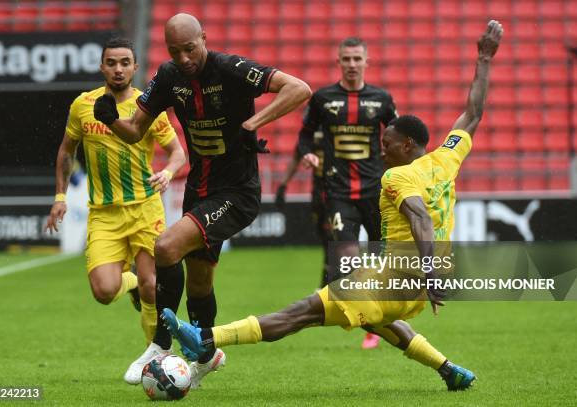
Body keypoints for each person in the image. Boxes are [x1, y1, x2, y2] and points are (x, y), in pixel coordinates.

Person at [162, 20, 503, 391]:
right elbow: (473, 113)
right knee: (376, 319)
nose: (380, 149)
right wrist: (484, 58)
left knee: (300, 313)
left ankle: (208, 339)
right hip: (413, 292)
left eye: (386, 144)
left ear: (407, 146)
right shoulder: (445, 159)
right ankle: (448, 368)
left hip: (395, 282)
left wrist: (431, 271)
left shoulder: (395, 178)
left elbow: (419, 215)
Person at [92, 13, 311, 388]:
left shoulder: (232, 68)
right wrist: (112, 120)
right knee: (199, 284)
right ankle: (207, 354)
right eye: (175, 51)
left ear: (204, 39)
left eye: (190, 49)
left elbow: (299, 88)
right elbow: (134, 131)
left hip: (237, 193)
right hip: (200, 190)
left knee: (165, 247)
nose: (183, 59)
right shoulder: (169, 76)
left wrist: (253, 125)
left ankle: (160, 344)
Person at [44, 37, 186, 385]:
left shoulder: (147, 105)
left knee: (155, 287)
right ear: (102, 67)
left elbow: (178, 153)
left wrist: (167, 173)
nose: (118, 68)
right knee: (104, 292)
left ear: (135, 68)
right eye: (112, 62)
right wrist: (60, 195)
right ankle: (134, 283)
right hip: (104, 214)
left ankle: (156, 359)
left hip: (144, 208)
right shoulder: (83, 105)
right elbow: (66, 151)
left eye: (125, 62)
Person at [298, 37, 399, 349]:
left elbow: (398, 135)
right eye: (347, 59)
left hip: (374, 192)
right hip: (339, 192)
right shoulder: (323, 98)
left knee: (381, 260)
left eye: (357, 59)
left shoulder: (381, 99)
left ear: (367, 61)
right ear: (338, 62)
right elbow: (304, 135)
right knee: (347, 259)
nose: (352, 64)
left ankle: (375, 319)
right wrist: (307, 154)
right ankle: (368, 321)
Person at [275, 136, 330, 288]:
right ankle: (326, 287)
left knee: (333, 241)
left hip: (339, 191)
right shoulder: (312, 131)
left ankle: (326, 287)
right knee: (327, 241)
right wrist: (283, 186)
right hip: (319, 193)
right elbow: (297, 155)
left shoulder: (338, 122)